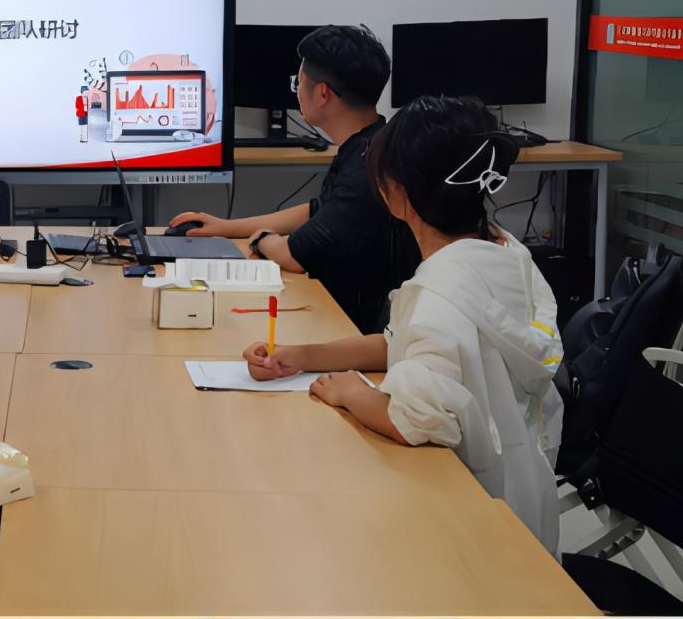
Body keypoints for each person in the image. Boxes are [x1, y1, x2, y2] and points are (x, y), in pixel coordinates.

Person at [238, 96, 565, 552]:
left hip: (468, 523)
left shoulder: (439, 294)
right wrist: (301, 356)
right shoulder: (503, 253)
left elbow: (416, 419)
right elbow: (402, 344)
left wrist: (351, 393)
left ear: (396, 193)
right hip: (521, 496)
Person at [169, 24, 417, 331]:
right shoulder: (371, 144)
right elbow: (320, 210)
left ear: (322, 93)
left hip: (350, 327)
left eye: (298, 82)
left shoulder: (366, 167)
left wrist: (262, 239)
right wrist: (225, 227)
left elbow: (293, 256)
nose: (296, 90)